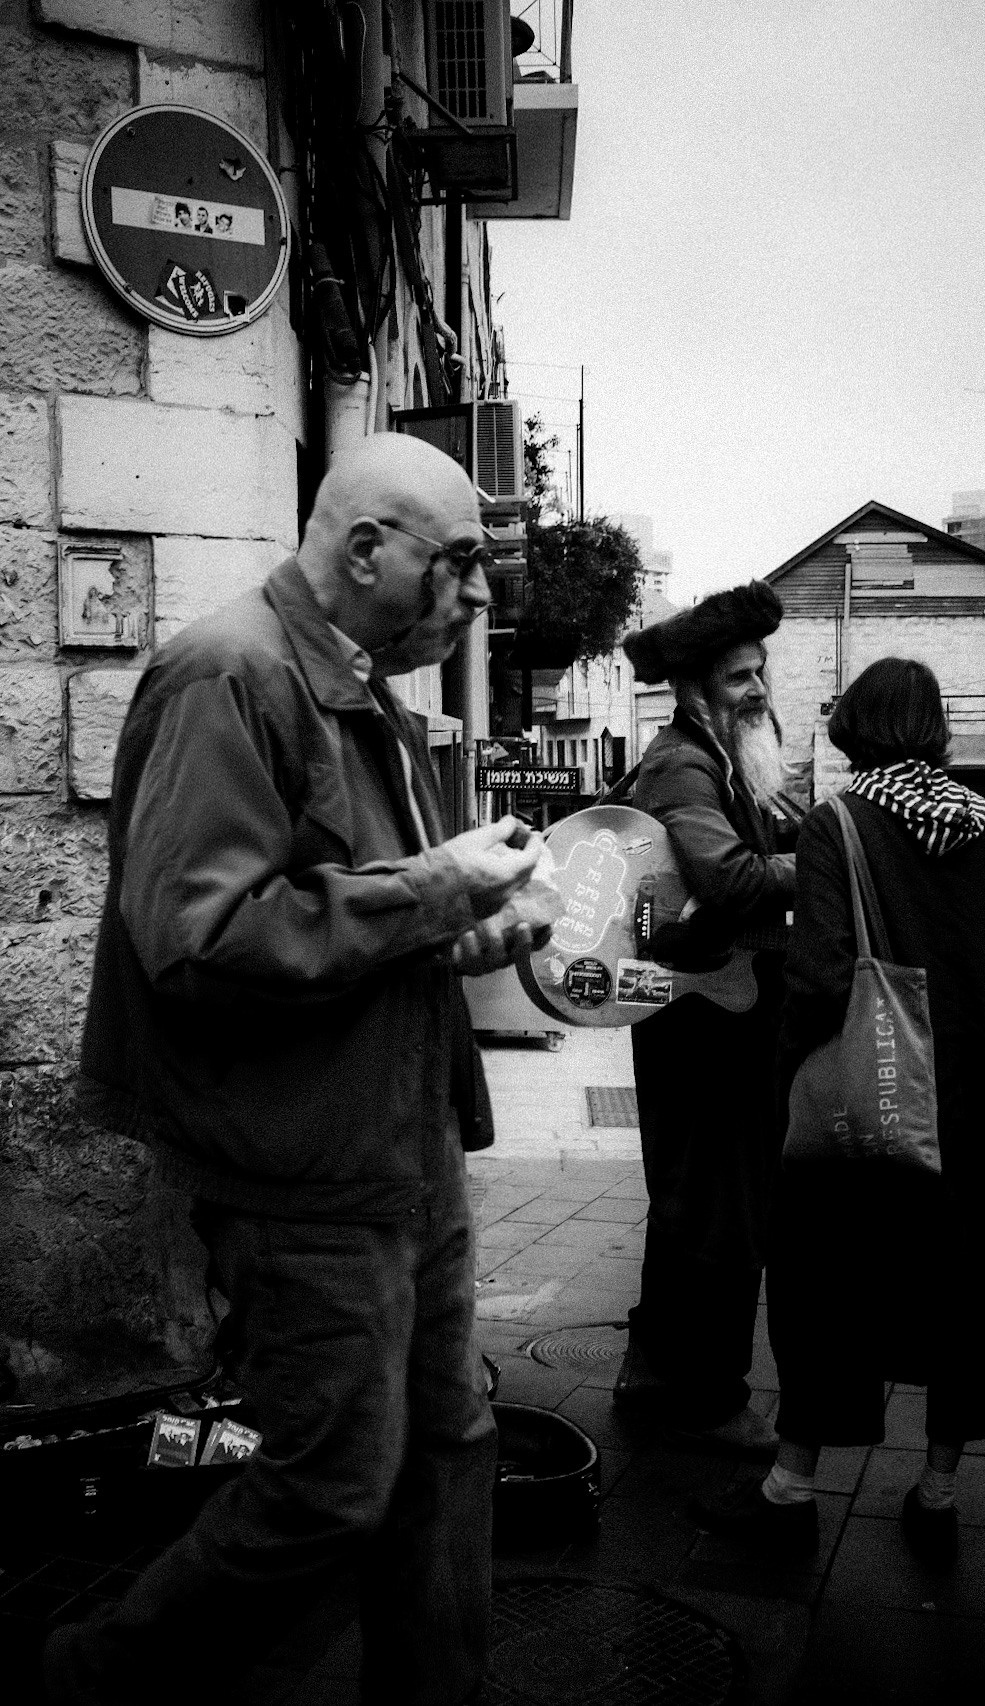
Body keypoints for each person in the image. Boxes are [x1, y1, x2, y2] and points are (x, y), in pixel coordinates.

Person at [45, 432, 550, 1706]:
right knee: (329, 1486)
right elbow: (198, 936)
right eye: (459, 564)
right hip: (302, 1172)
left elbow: (345, 914)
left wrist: (467, 925)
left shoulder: (359, 680)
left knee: (448, 1443)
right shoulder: (228, 674)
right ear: (367, 547)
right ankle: (87, 1679)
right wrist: (433, 888)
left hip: (401, 1149)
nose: (477, 596)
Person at [694, 657, 985, 1564]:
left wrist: (789, 1084)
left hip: (882, 1092)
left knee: (828, 1278)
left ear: (856, 724)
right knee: (966, 1289)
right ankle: (935, 1495)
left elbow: (820, 980)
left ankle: (790, 1490)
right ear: (933, 731)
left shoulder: (840, 823)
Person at [612, 582, 797, 1453]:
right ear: (694, 690)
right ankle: (713, 1395)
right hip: (703, 1018)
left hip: (722, 1008)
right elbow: (727, 882)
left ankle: (653, 1372)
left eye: (760, 672)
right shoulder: (685, 762)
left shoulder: (726, 758)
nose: (756, 690)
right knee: (719, 1204)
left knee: (693, 1199)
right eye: (736, 678)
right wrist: (830, 855)